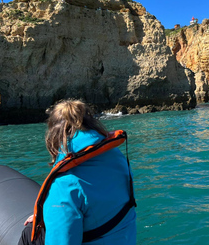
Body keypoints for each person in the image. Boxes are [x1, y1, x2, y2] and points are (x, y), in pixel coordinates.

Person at [19, 99, 136, 245]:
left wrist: (54, 211)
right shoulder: (117, 156)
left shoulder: (65, 186)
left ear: (54, 134)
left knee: (28, 233)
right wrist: (50, 214)